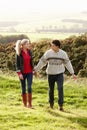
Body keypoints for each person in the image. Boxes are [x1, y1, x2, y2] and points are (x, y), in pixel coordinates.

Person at [34, 39, 76, 111]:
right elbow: (42, 62)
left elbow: (68, 63)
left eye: (53, 45)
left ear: (57, 46)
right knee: (51, 89)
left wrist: (72, 73)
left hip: (59, 74)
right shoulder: (48, 53)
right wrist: (35, 70)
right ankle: (51, 104)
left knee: (60, 88)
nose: (51, 47)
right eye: (51, 45)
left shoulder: (63, 54)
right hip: (50, 74)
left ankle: (60, 105)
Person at [15, 39, 34, 108]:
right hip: (22, 73)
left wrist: (33, 70)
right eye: (27, 44)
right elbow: (17, 65)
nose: (28, 45)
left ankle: (30, 104)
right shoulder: (19, 53)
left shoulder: (30, 52)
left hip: (30, 73)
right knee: (23, 88)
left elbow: (31, 62)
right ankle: (25, 104)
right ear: (22, 45)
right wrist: (19, 73)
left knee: (29, 87)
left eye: (28, 44)